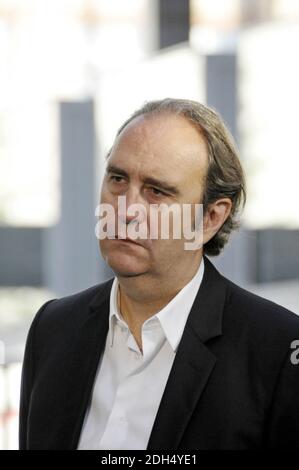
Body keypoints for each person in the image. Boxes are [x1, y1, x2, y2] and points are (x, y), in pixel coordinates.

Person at [19, 98, 299, 450]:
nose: (126, 209)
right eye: (117, 178)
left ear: (210, 218)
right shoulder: (53, 328)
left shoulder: (277, 351)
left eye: (156, 191)